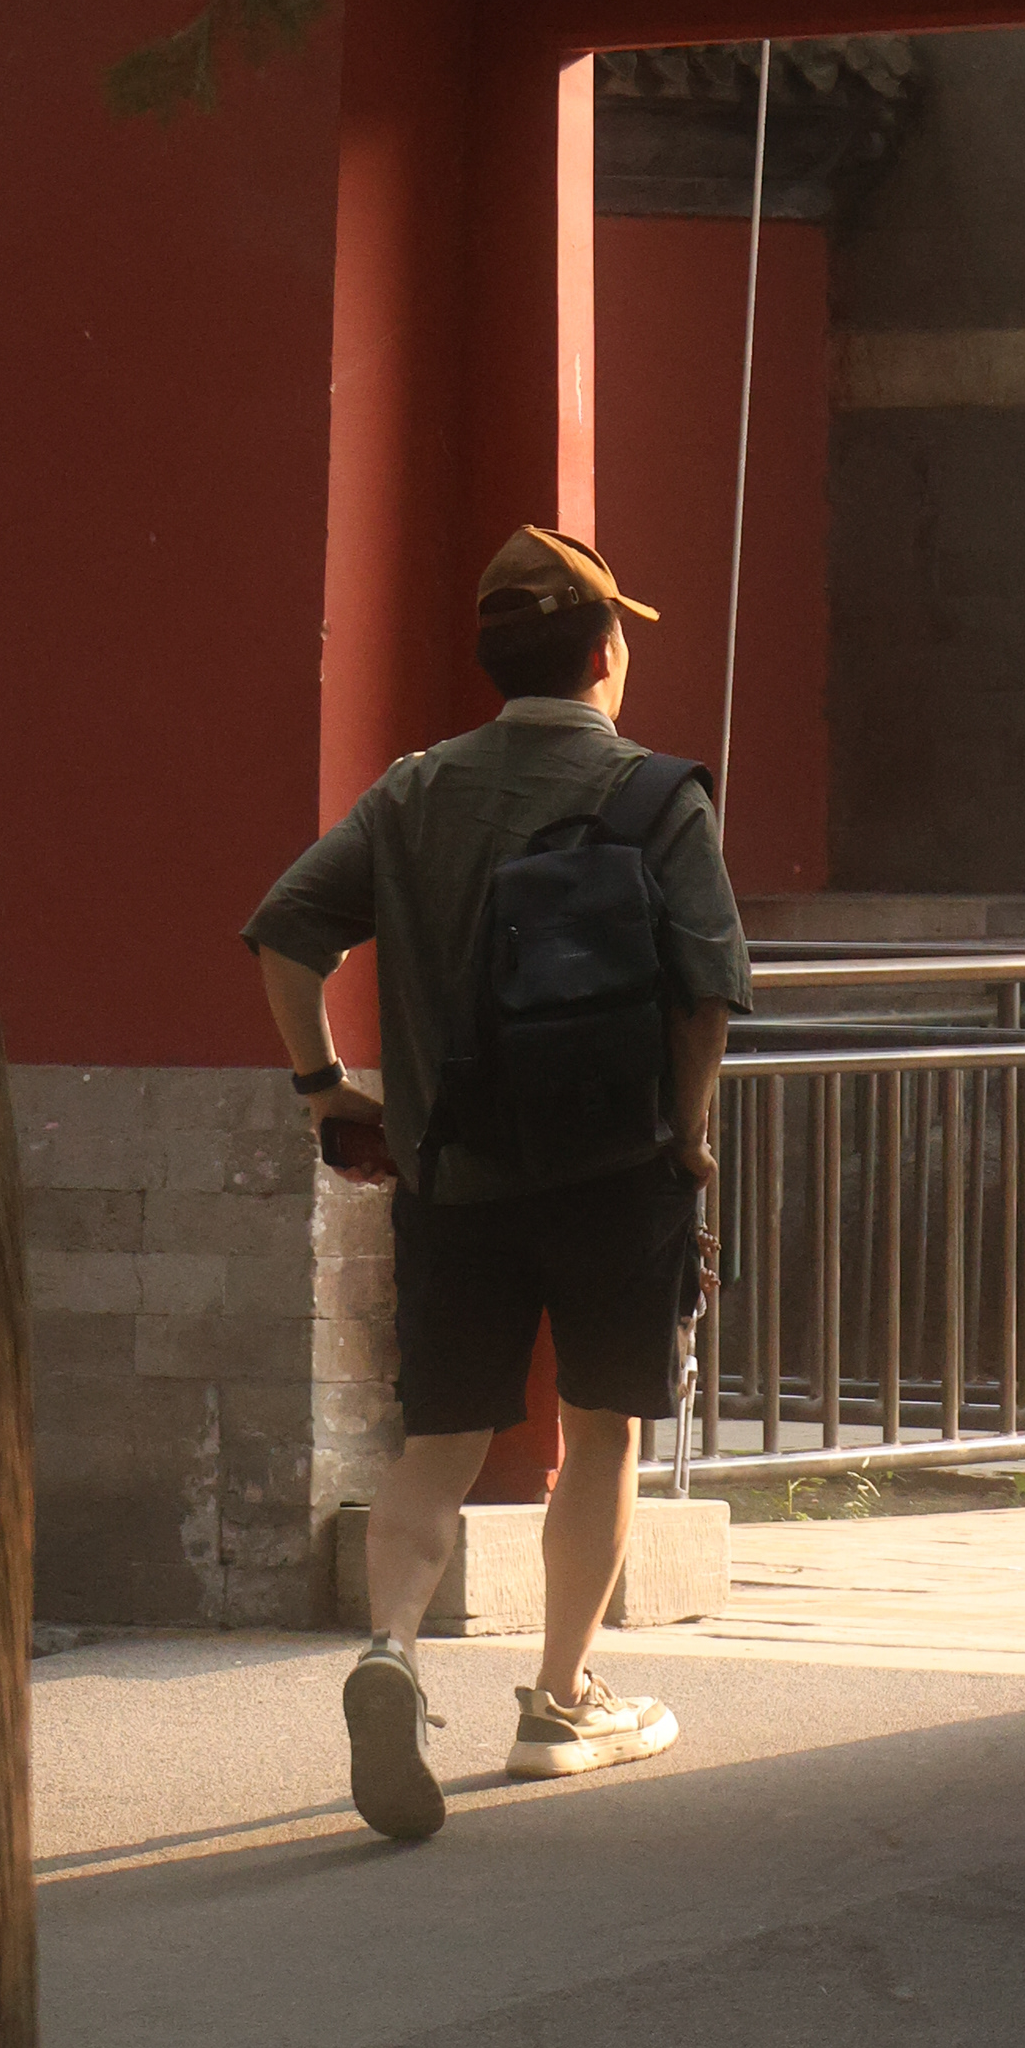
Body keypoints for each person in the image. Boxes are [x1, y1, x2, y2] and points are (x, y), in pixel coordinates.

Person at [242, 525, 751, 1842]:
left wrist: (326, 1085)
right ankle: (560, 1700)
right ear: (605, 652)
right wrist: (690, 1135)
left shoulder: (414, 793)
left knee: (439, 1441)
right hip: (620, 1172)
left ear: (494, 658)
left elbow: (286, 932)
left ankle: (392, 1650)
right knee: (603, 1427)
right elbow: (706, 995)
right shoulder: (659, 797)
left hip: (453, 1173)